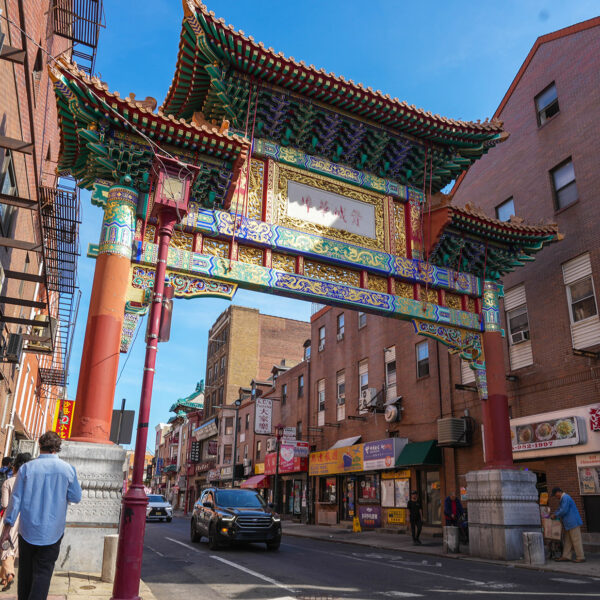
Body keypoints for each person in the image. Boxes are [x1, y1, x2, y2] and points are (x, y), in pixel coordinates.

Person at [0, 431, 82, 600]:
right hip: (53, 531)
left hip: (27, 529)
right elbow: (76, 497)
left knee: (25, 572)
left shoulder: (26, 468)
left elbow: (15, 500)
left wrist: (7, 527)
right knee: (43, 574)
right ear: (57, 448)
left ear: (40, 445)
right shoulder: (67, 470)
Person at [0, 452, 32, 591]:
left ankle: (9, 574)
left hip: (10, 517)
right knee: (14, 548)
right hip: (25, 518)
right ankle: (4, 579)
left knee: (5, 547)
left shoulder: (9, 482)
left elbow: (5, 503)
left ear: (14, 467)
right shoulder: (30, 482)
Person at [552, 487, 585, 563]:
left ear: (558, 492)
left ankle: (581, 557)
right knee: (568, 540)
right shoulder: (563, 498)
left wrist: (555, 515)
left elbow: (563, 510)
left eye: (555, 494)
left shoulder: (565, 497)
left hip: (573, 522)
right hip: (569, 523)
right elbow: (561, 509)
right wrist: (555, 513)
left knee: (576, 540)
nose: (555, 496)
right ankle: (566, 556)